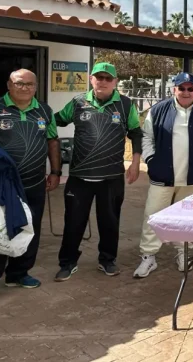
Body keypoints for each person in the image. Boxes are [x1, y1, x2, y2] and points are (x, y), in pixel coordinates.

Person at [54, 62, 142, 281]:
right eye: (98, 77)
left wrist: (135, 162)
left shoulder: (125, 104)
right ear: (91, 79)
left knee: (110, 222)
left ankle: (107, 260)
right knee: (74, 222)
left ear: (115, 82)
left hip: (111, 177)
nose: (102, 81)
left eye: (107, 78)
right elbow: (55, 121)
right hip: (79, 177)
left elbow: (136, 133)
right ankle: (68, 262)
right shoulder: (77, 102)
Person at [133, 72, 193, 278]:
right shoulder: (157, 110)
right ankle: (148, 257)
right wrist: (150, 161)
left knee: (187, 218)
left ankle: (183, 253)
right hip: (162, 175)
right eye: (181, 88)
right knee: (153, 215)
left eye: (190, 88)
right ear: (174, 89)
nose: (185, 92)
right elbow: (147, 137)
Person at [0, 70, 61, 309]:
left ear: (36, 86)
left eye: (30, 84)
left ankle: (19, 273)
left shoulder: (44, 111)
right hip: (2, 185)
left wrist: (55, 172)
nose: (25, 88)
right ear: (9, 84)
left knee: (30, 229)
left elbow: (52, 140)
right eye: (19, 83)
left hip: (34, 182)